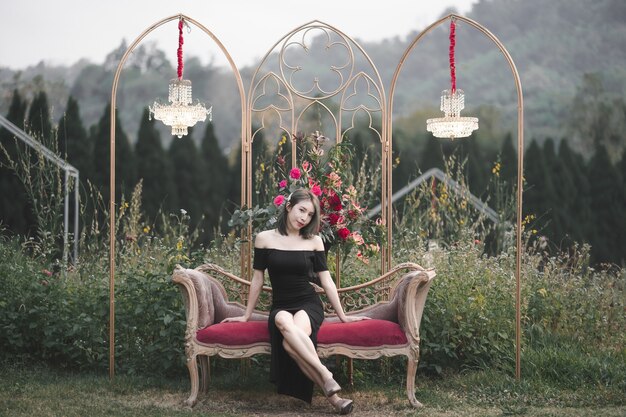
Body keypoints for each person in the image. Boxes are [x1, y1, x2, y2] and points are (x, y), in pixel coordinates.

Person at [222, 188, 368, 415]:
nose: (304, 218)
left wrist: (343, 315)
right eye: (301, 210)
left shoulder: (314, 241)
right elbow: (258, 279)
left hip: (308, 304)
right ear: (288, 206)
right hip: (281, 304)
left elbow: (326, 281)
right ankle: (327, 377)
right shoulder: (264, 238)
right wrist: (246, 315)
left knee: (290, 343)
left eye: (310, 215)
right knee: (281, 321)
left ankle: (335, 399)